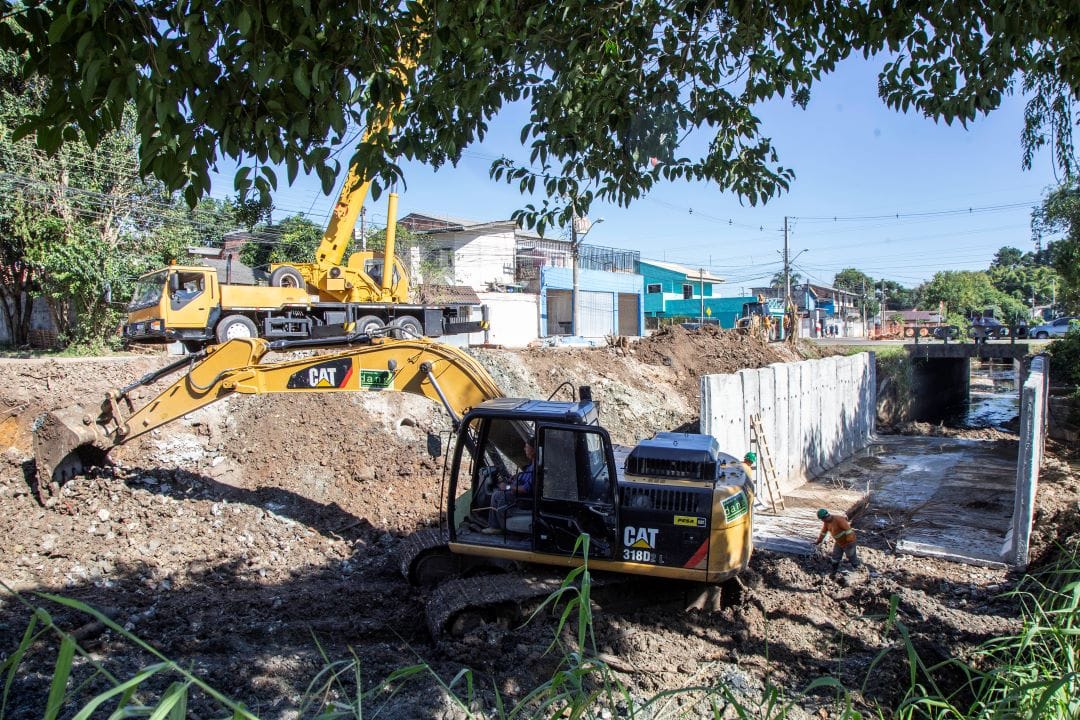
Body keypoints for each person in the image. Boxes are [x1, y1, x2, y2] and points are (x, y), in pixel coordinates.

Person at [484, 437, 535, 533]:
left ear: (534, 450)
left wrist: (507, 487)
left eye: (526, 447)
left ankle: (497, 526)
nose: (524, 449)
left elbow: (526, 489)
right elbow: (526, 477)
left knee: (497, 495)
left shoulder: (536, 468)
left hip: (523, 499)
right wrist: (516, 477)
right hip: (519, 493)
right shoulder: (532, 464)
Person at [814, 508, 861, 578]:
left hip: (849, 542)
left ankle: (858, 570)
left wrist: (849, 542)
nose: (822, 521)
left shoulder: (839, 519)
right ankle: (833, 572)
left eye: (822, 519)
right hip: (839, 542)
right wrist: (819, 541)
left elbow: (848, 531)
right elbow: (823, 532)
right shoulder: (826, 523)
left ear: (825, 517)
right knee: (835, 557)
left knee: (851, 556)